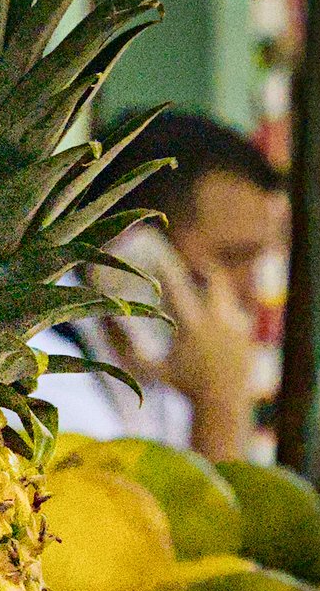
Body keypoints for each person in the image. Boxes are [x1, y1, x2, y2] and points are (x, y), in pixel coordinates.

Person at [36, 109, 289, 460]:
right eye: (231, 258)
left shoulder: (167, 376)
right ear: (134, 259)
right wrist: (220, 402)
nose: (250, 292)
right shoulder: (44, 380)